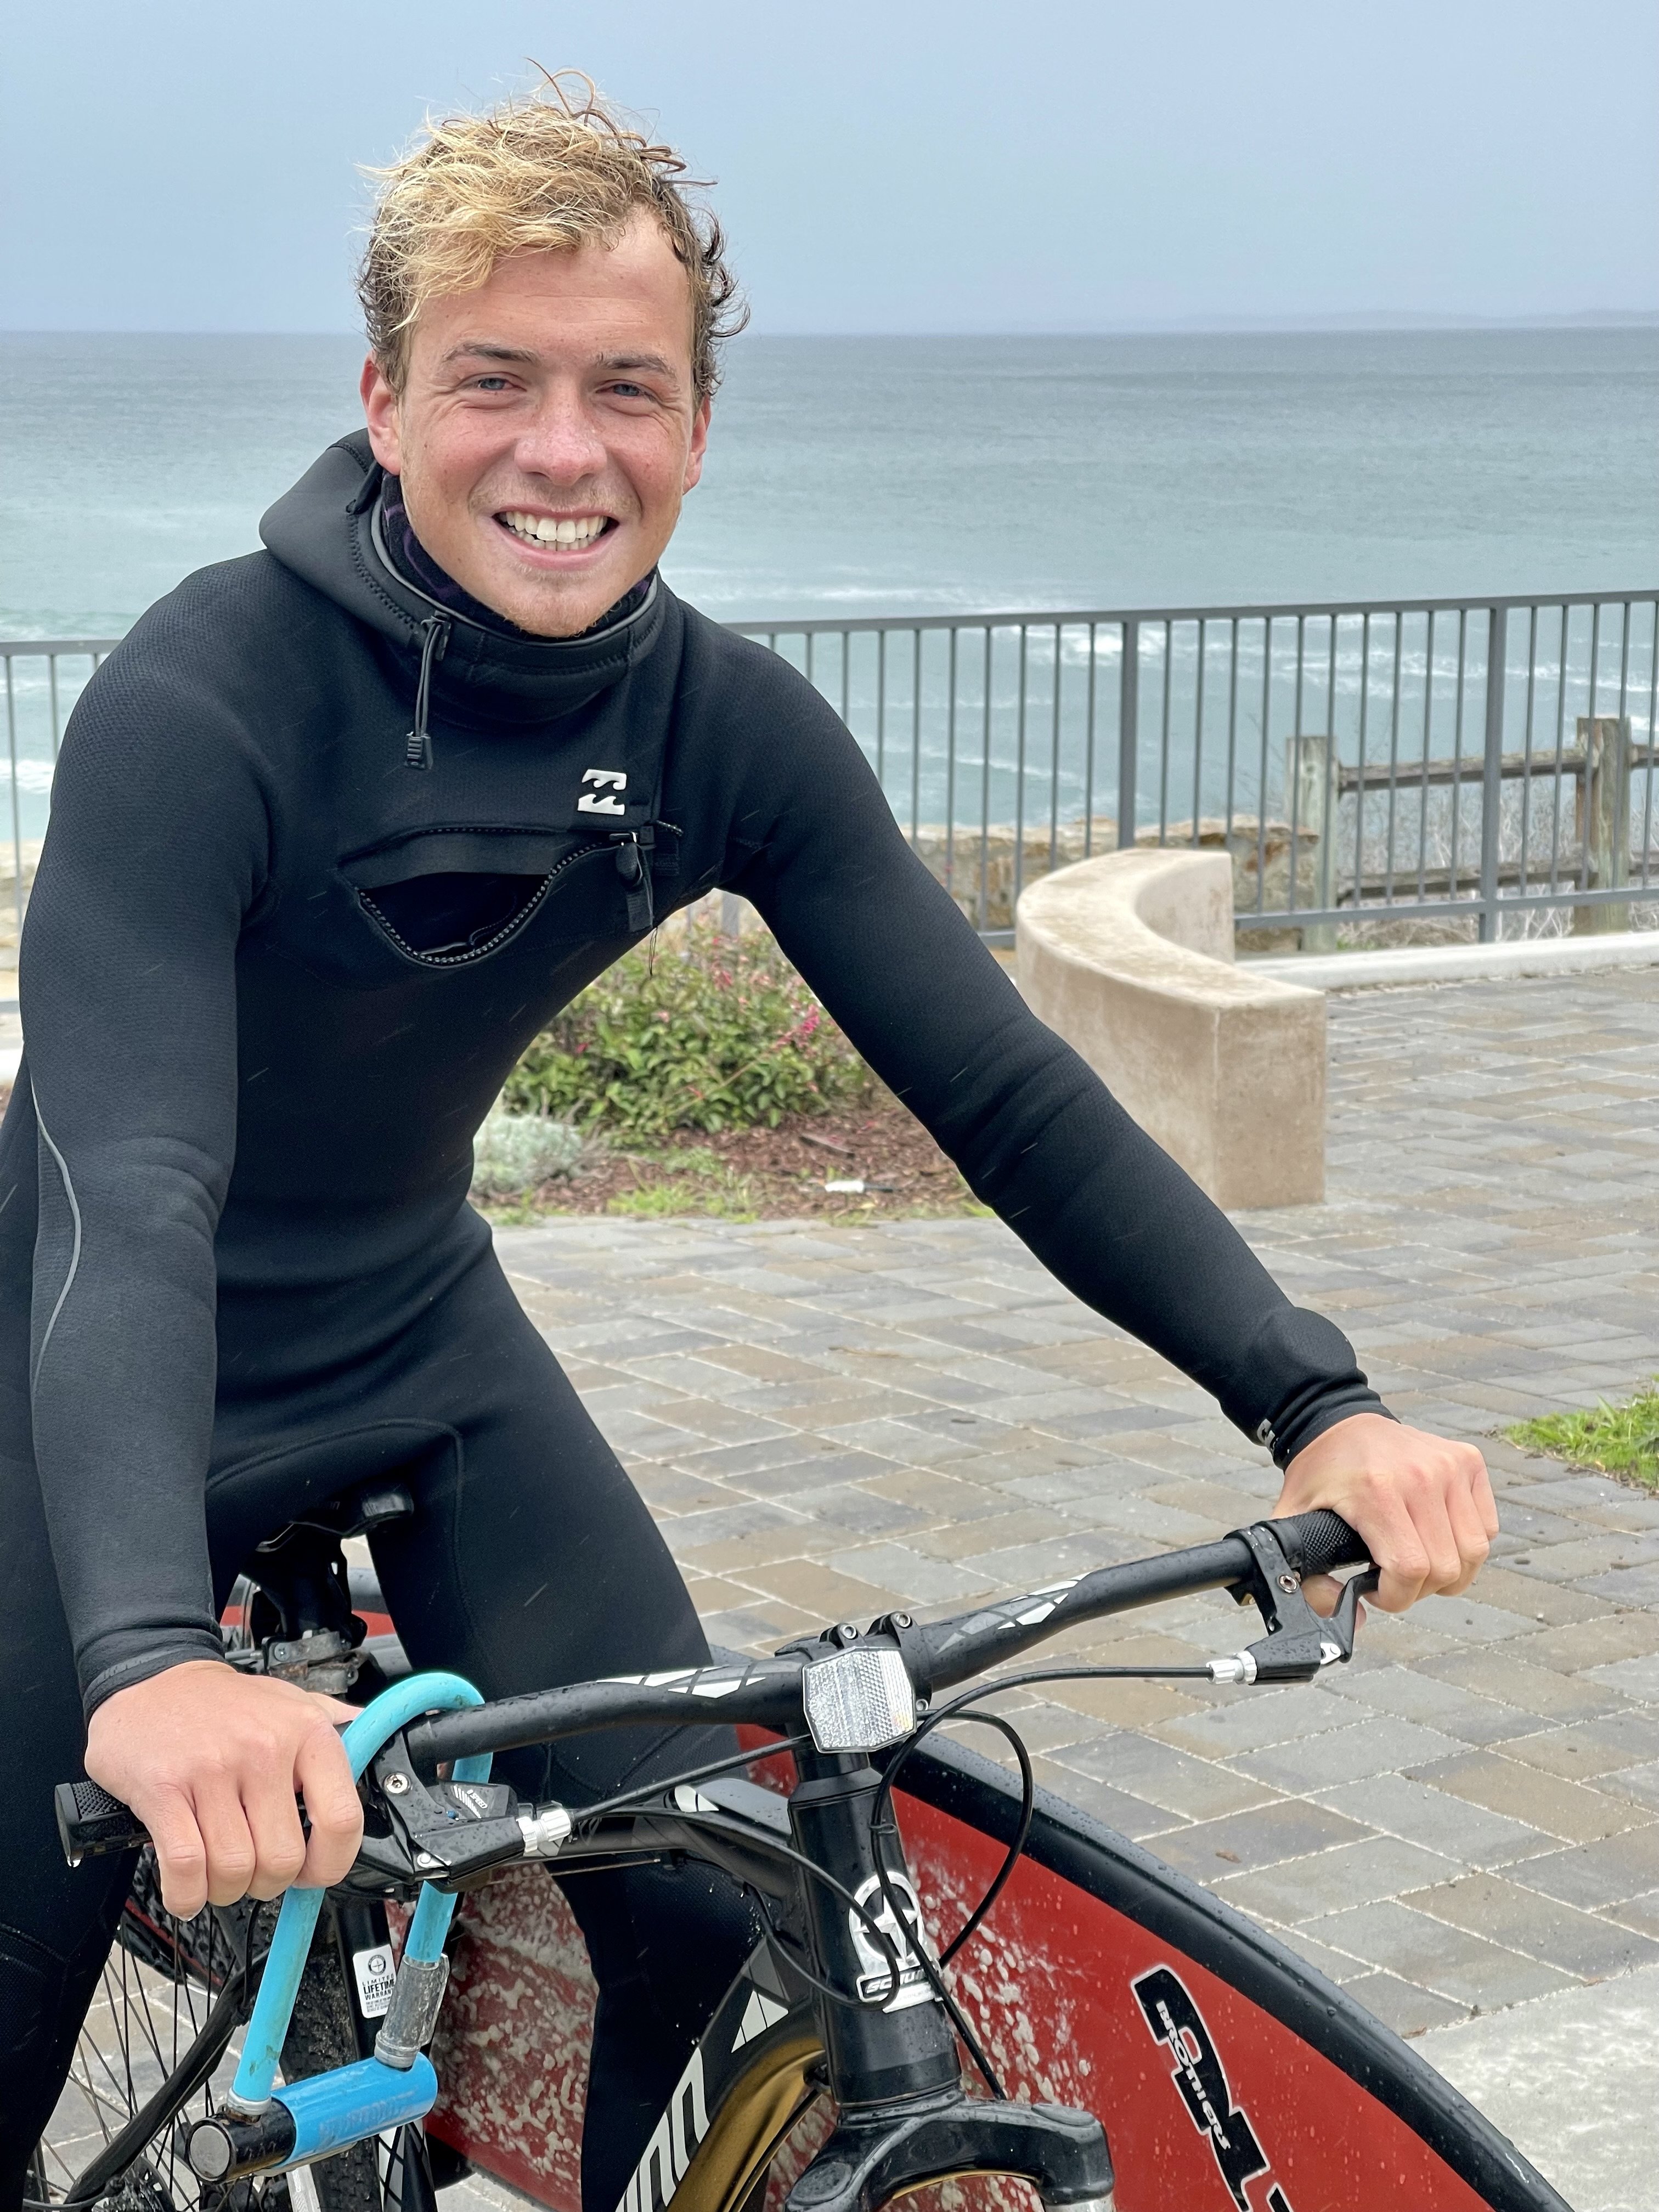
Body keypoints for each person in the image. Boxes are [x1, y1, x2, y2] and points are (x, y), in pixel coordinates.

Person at [0, 77, 1497, 2209]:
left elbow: (1006, 1094)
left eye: (626, 388)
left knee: (702, 1909)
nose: (562, 449)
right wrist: (151, 1660)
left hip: (417, 1340)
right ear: (385, 401)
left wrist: (1315, 1401)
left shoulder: (721, 726)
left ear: (696, 429)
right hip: (72, 1376)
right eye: (494, 380)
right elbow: (131, 1186)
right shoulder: (204, 699)